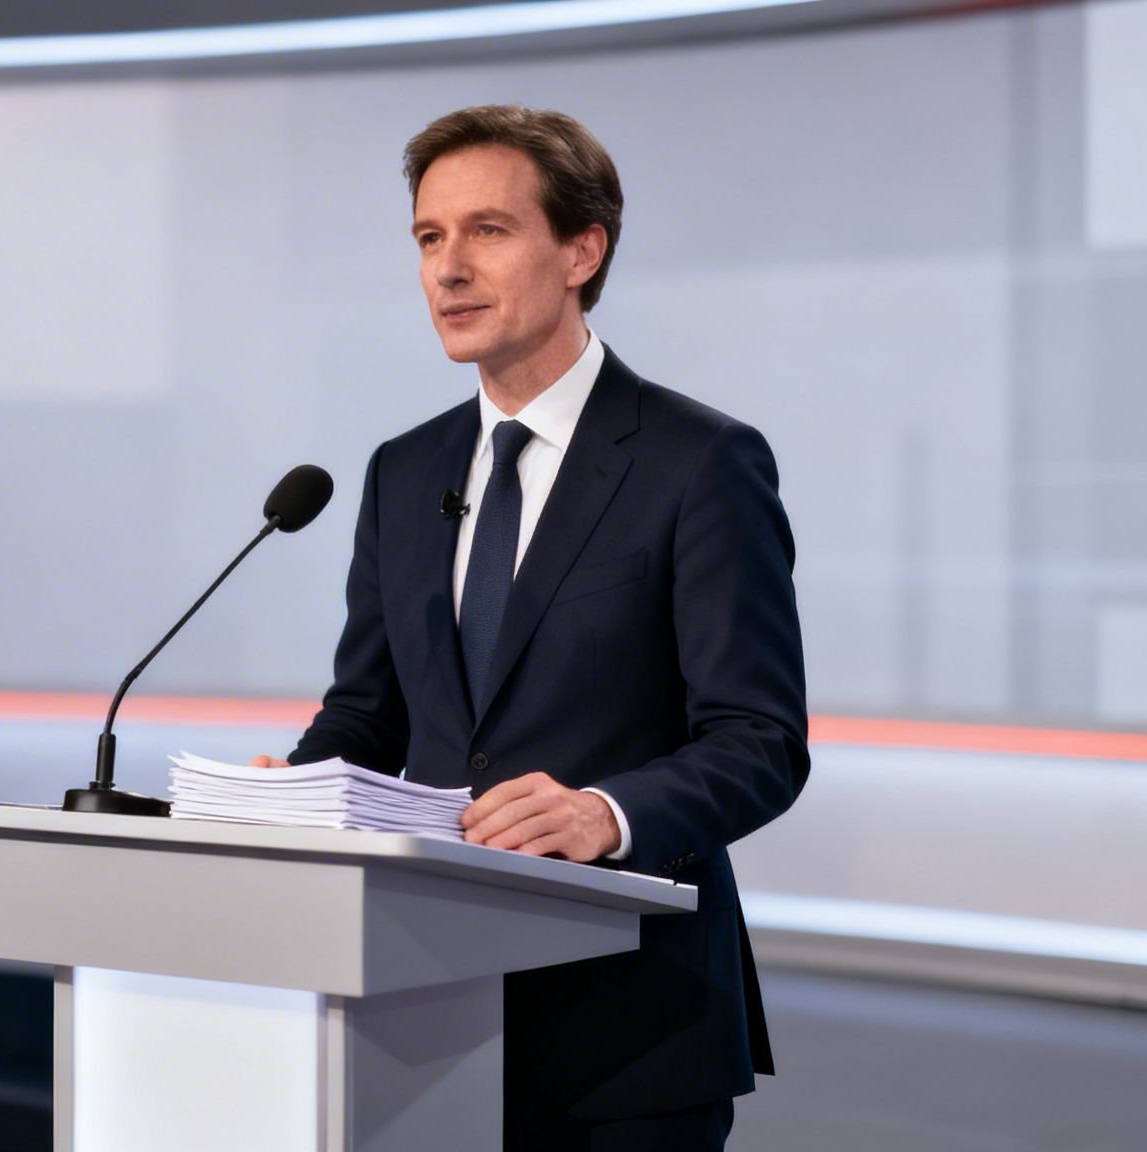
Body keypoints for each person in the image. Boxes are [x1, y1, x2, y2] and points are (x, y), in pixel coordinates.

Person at [255, 105, 810, 1150]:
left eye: (487, 231)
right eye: (428, 238)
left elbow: (759, 742)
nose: (447, 268)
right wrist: (291, 795)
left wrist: (605, 812)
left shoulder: (698, 462)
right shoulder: (402, 470)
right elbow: (367, 714)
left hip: (623, 1035)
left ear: (580, 250)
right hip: (410, 1014)